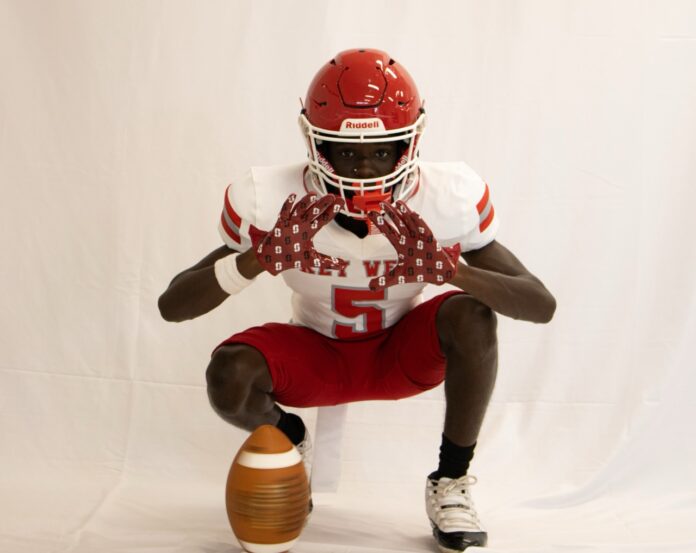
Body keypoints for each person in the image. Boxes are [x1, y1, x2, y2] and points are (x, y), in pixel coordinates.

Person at [158, 48, 556, 552]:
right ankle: (288, 434)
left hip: (401, 353)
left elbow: (540, 304)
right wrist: (258, 258)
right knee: (229, 375)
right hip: (317, 353)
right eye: (346, 151)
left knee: (472, 314)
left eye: (380, 151)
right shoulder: (271, 199)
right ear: (314, 144)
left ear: (409, 144)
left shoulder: (445, 196)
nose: (365, 168)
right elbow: (172, 305)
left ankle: (451, 480)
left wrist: (455, 271)